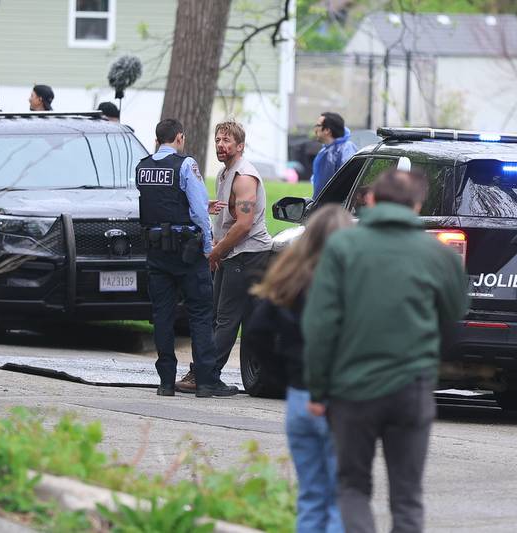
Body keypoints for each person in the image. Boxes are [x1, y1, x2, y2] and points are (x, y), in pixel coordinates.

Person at [302, 169, 469, 533]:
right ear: (418, 205)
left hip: (351, 388)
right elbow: (454, 312)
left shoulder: (343, 247)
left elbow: (320, 323)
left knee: (352, 487)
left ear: (371, 200)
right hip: (412, 386)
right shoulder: (437, 254)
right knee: (408, 496)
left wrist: (317, 388)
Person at [248, 204, 352, 533]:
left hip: (299, 394)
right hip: (339, 398)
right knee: (336, 497)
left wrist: (283, 374)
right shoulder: (352, 284)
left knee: (310, 495)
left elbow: (255, 332)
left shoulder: (291, 281)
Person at [136, 118, 238, 398]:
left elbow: (161, 204)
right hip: (187, 252)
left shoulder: (142, 167)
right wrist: (208, 248)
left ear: (157, 139)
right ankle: (205, 382)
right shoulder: (185, 164)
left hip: (157, 252)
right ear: (179, 137)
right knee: (200, 314)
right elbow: (196, 213)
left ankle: (166, 382)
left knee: (163, 316)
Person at [175, 120, 272, 393]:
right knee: (215, 315)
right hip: (230, 253)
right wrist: (216, 247)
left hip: (248, 254)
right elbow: (227, 222)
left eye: (227, 141)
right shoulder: (223, 173)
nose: (221, 145)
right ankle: (202, 371)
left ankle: (206, 375)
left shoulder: (244, 176)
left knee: (227, 318)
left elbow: (244, 224)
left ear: (240, 146)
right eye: (218, 140)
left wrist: (217, 251)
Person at [311, 112, 357, 199]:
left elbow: (347, 180)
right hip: (324, 205)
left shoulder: (346, 149)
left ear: (327, 130)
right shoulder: (325, 150)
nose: (315, 129)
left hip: (337, 208)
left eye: (318, 125)